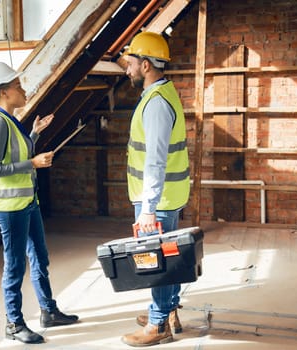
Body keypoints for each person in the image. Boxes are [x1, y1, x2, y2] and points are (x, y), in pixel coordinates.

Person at [0, 62, 79, 344]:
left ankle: (48, 311)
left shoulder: (11, 121)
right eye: (18, 86)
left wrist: (33, 134)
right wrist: (33, 163)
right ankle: (13, 323)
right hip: (10, 209)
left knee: (40, 257)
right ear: (3, 93)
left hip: (26, 203)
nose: (23, 90)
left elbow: (15, 157)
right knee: (14, 266)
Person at [121, 31, 191, 347]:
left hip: (158, 201)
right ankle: (167, 309)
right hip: (165, 196)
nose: (127, 70)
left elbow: (155, 161)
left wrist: (148, 207)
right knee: (165, 256)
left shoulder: (157, 104)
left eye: (130, 63)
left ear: (146, 65)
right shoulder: (160, 94)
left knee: (156, 260)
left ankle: (158, 323)